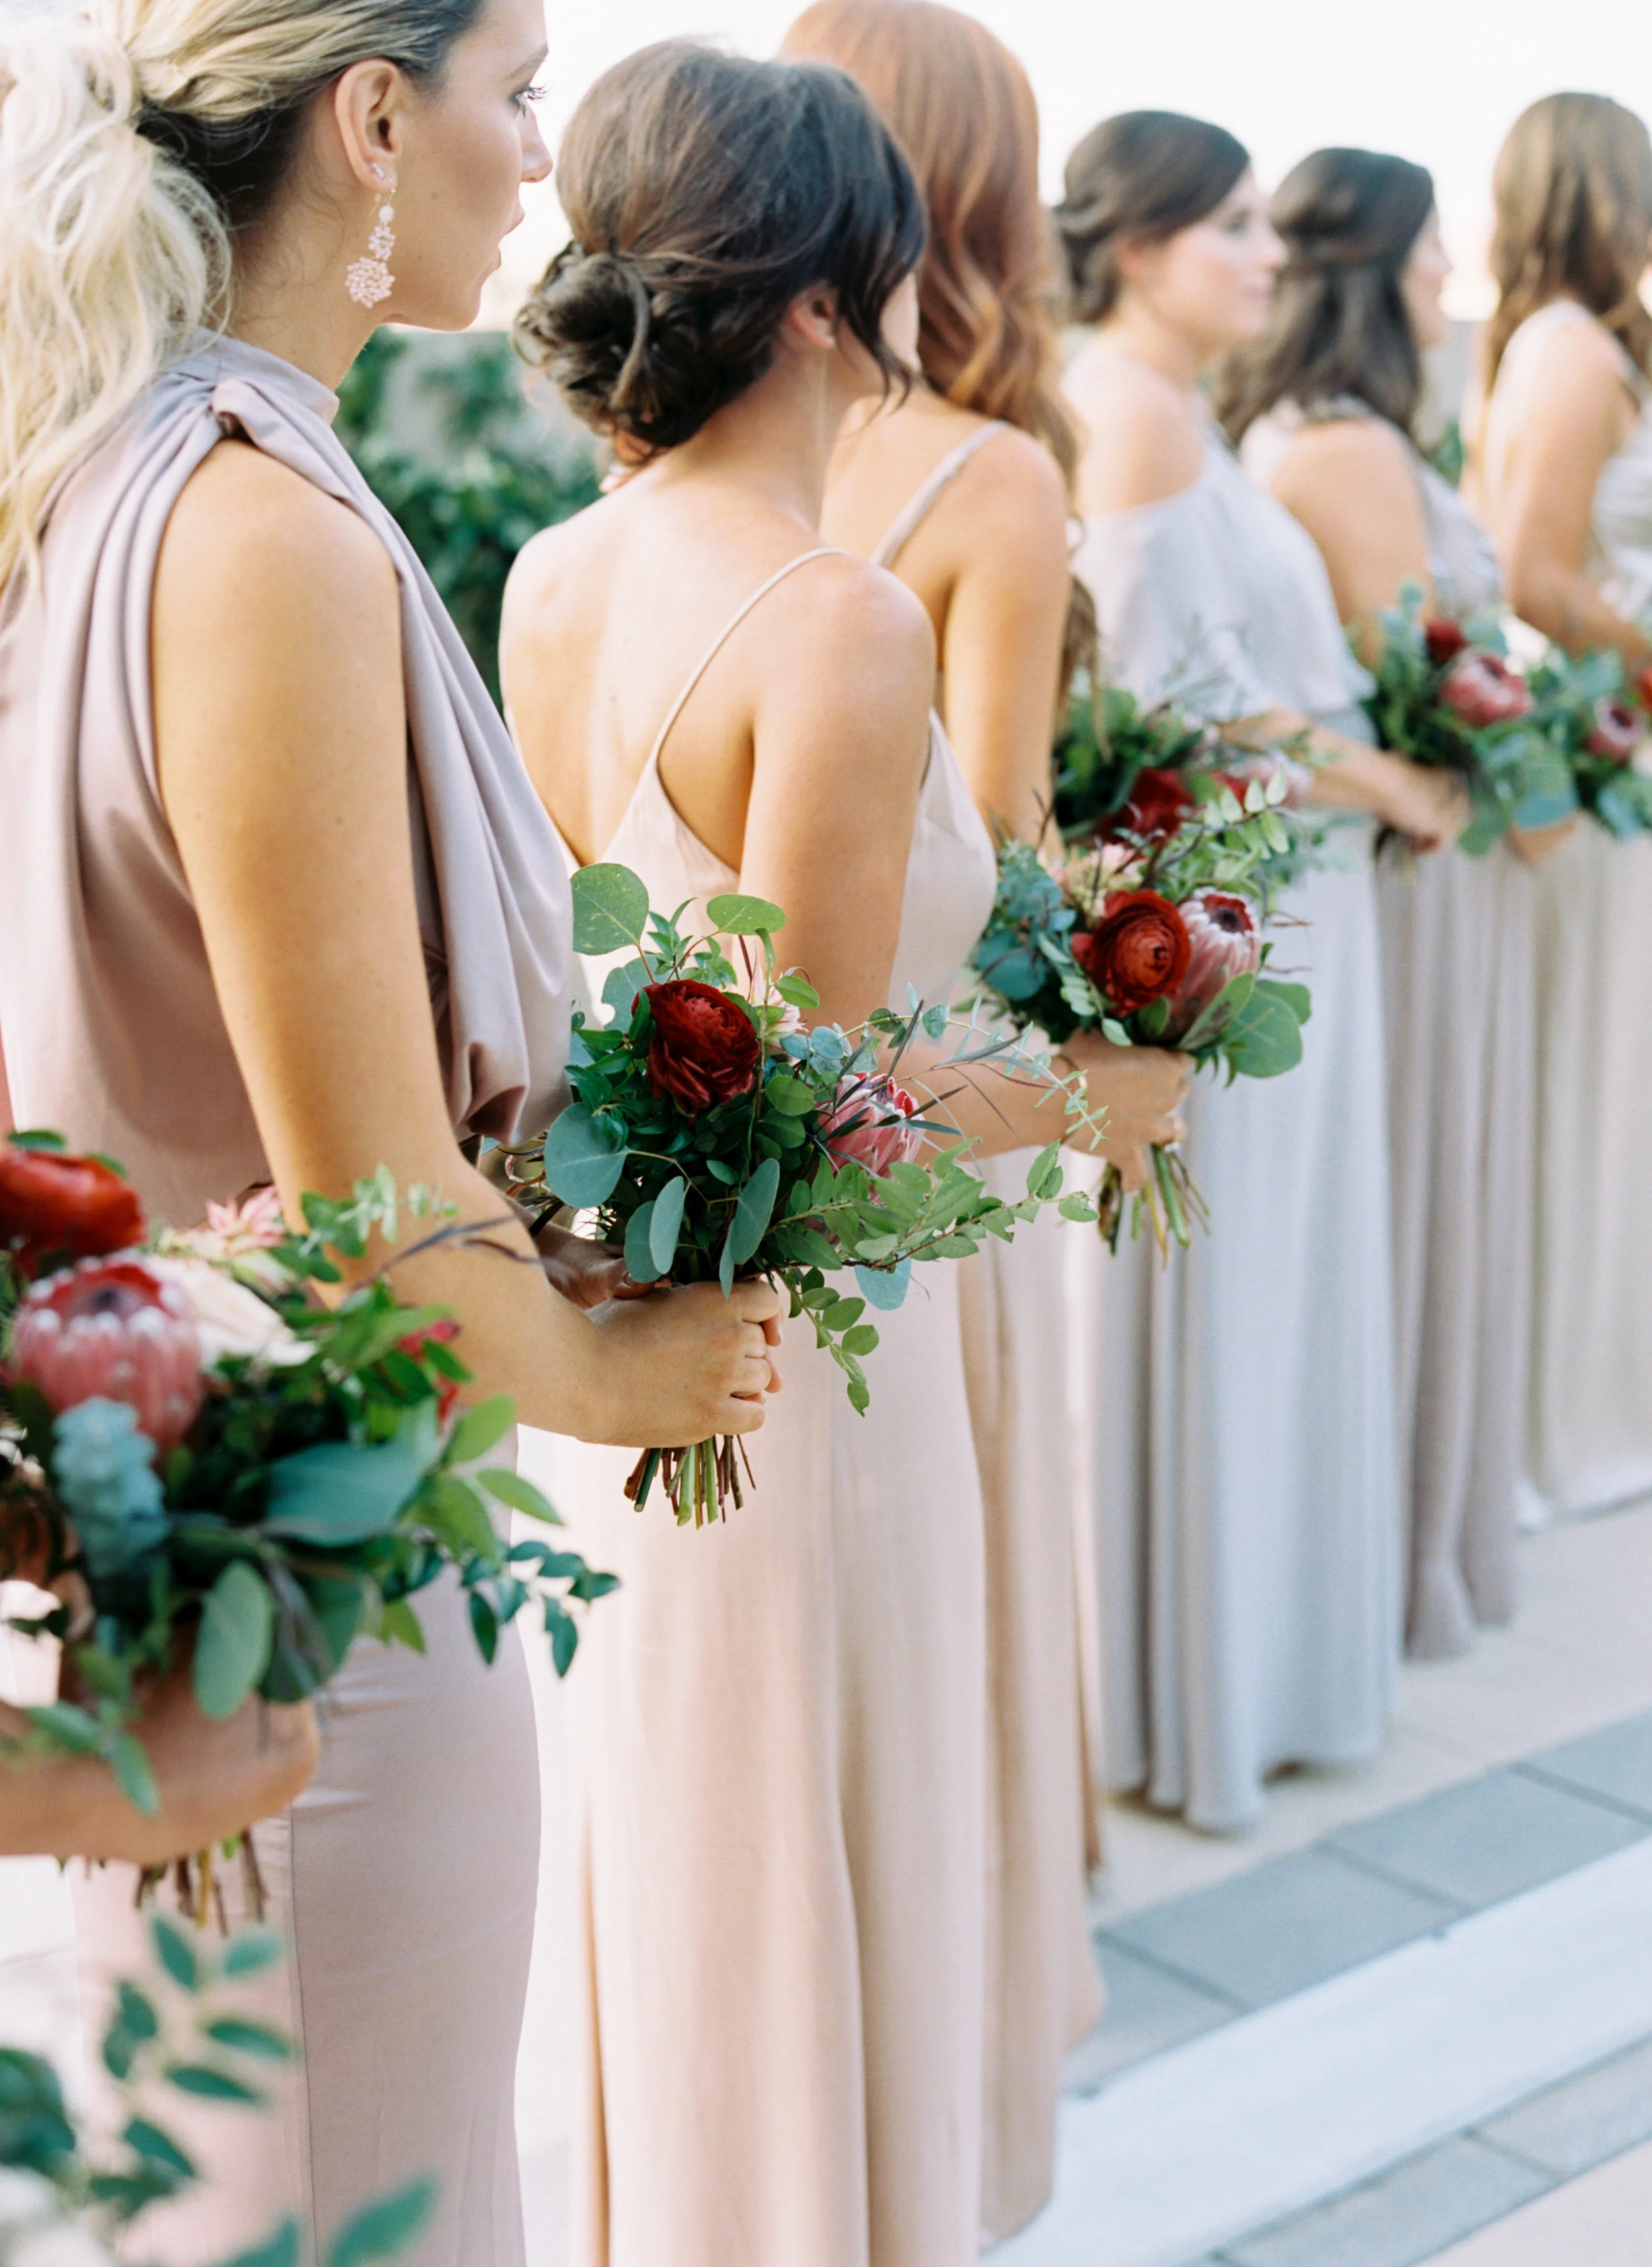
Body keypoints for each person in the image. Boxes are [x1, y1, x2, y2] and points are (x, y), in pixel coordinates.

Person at [0, 3, 780, 2257]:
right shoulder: (258, 537)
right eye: (512, 89)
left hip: (158, 1540)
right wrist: (631, 1371)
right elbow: (366, 1209)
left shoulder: (85, 476)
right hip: (318, 1582)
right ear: (368, 120)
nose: (538, 156)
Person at [504, 41, 1142, 2267]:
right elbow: (829, 1118)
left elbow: (618, 1014)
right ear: (816, 303)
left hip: (630, 1358)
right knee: (813, 1840)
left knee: (691, 1853)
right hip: (808, 1364)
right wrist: (1098, 1098)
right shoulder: (842, 621)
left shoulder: (555, 580)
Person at [782, 1, 1185, 2239]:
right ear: (988, 192)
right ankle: (929, 2119)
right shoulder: (993, 481)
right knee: (938, 1643)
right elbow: (1007, 871)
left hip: (735, 1161)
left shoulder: (645, 488)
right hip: (931, 1144)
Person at [1057, 112, 1461, 1834]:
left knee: (1283, 1280)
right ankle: (1203, 1687)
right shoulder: (1134, 408)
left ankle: (1252, 1665)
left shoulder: (1172, 410)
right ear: (1138, 243)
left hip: (1288, 896)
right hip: (1248, 904)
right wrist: (1383, 777)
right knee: (1248, 1281)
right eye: (1227, 222)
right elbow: (1170, 704)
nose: (1264, 254)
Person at [1220, 148, 1543, 1659]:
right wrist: (1532, 765)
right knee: (1423, 1176)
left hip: (1432, 869)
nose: (1444, 282)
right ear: (1373, 271)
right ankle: (1408, 1541)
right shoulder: (1339, 445)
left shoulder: (1338, 431)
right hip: (1415, 875)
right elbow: (1425, 692)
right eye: (1427, 255)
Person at [1468, 92, 1652, 1520]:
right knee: (1595, 1077)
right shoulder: (1574, 350)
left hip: (1598, 744)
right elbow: (1534, 575)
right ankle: (1570, 1413)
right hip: (1603, 757)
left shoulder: (1546, 343)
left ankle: (1583, 1394)